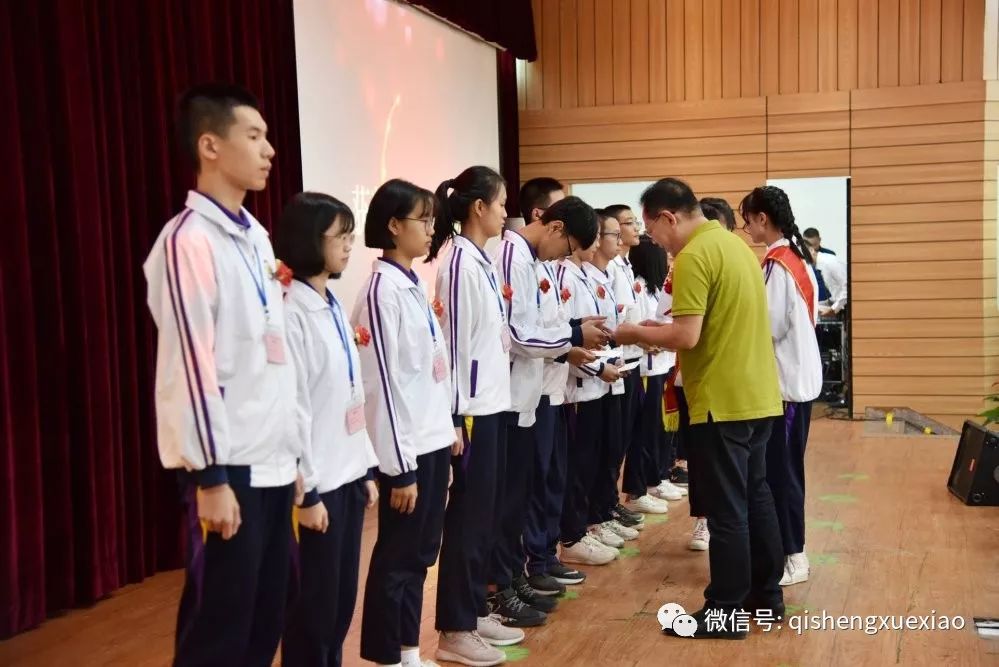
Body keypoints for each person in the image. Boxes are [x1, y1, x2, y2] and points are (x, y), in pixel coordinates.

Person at [143, 83, 298, 666]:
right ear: (210, 144)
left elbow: (273, 356)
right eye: (253, 136)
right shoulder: (189, 240)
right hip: (228, 464)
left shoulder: (255, 237)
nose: (269, 150)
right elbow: (191, 364)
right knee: (220, 623)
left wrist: (295, 456)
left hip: (273, 459)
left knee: (267, 610)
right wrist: (210, 477)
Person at [615, 178, 785, 639]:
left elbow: (685, 337)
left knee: (727, 509)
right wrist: (660, 327)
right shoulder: (735, 247)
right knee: (757, 497)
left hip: (721, 401)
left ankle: (725, 612)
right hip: (758, 395)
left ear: (669, 217)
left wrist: (633, 334)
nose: (655, 242)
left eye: (653, 231)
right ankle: (766, 597)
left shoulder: (693, 256)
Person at [354, 179, 462, 667]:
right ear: (393, 226)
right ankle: (387, 655)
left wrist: (450, 429)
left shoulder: (411, 285)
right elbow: (382, 388)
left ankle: (409, 650)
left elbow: (430, 373)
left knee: (421, 554)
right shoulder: (381, 293)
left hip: (433, 441)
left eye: (433, 219)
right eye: (424, 220)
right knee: (398, 557)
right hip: (408, 451)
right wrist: (400, 469)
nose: (431, 229)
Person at [491, 194, 606, 621]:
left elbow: (539, 326)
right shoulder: (513, 256)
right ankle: (501, 584)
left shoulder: (530, 259)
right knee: (510, 499)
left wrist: (572, 331)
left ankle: (514, 575)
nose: (566, 258)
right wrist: (574, 334)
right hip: (508, 396)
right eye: (569, 248)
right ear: (556, 227)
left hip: (532, 391)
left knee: (525, 491)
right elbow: (520, 333)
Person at [276, 193, 380, 666]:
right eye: (340, 236)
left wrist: (366, 468)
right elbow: (292, 407)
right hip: (317, 484)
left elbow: (350, 395)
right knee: (313, 611)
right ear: (307, 239)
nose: (348, 246)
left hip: (347, 476)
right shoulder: (290, 308)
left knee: (339, 607)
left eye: (350, 236)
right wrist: (308, 491)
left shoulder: (331, 303)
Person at [429, 166, 514, 666]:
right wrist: (457, 414)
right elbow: (455, 342)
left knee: (486, 512)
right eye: (501, 202)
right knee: (467, 515)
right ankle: (454, 628)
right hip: (473, 408)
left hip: (493, 403)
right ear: (478, 207)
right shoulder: (458, 262)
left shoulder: (479, 259)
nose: (506, 212)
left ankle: (474, 609)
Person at [740, 186, 823, 589]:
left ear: (761, 218)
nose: (745, 228)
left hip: (786, 387)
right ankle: (788, 549)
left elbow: (769, 325)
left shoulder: (778, 263)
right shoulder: (797, 255)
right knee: (782, 472)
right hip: (796, 382)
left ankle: (795, 553)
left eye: (747, 220)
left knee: (784, 474)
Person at [556, 232, 625, 566]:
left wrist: (606, 365)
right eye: (593, 235)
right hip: (577, 388)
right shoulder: (565, 275)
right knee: (578, 466)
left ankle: (589, 524)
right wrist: (598, 370)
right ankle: (574, 533)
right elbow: (571, 340)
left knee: (595, 458)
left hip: (597, 380)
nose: (596, 242)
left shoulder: (585, 274)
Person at [622, 235, 683, 510]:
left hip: (663, 364)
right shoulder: (639, 285)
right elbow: (638, 324)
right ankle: (642, 484)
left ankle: (658, 474)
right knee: (645, 431)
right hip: (648, 367)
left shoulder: (658, 288)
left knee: (659, 428)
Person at [802, 227, 834, 302]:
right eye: (808, 245)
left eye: (814, 245)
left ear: (819, 240)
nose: (812, 249)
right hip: (807, 301)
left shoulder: (830, 256)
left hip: (828, 301)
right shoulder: (798, 258)